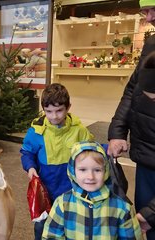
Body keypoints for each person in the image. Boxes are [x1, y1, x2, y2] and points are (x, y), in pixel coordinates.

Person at [20, 83, 93, 240]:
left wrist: (108, 149)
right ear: (43, 110)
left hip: (71, 189)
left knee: (72, 225)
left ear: (68, 108)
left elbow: (92, 150)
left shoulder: (79, 130)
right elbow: (27, 152)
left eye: (59, 110)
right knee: (42, 225)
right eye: (49, 112)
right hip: (46, 190)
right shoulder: (36, 131)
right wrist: (30, 167)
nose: (54, 116)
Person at [107, 1, 155, 239]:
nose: (149, 18)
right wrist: (117, 132)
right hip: (146, 156)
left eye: (154, 10)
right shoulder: (151, 44)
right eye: (145, 11)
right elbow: (133, 89)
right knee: (144, 222)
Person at [42, 141, 142, 239]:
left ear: (106, 171)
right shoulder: (62, 204)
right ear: (73, 171)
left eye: (97, 170)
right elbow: (51, 236)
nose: (90, 176)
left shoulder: (121, 207)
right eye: (83, 170)